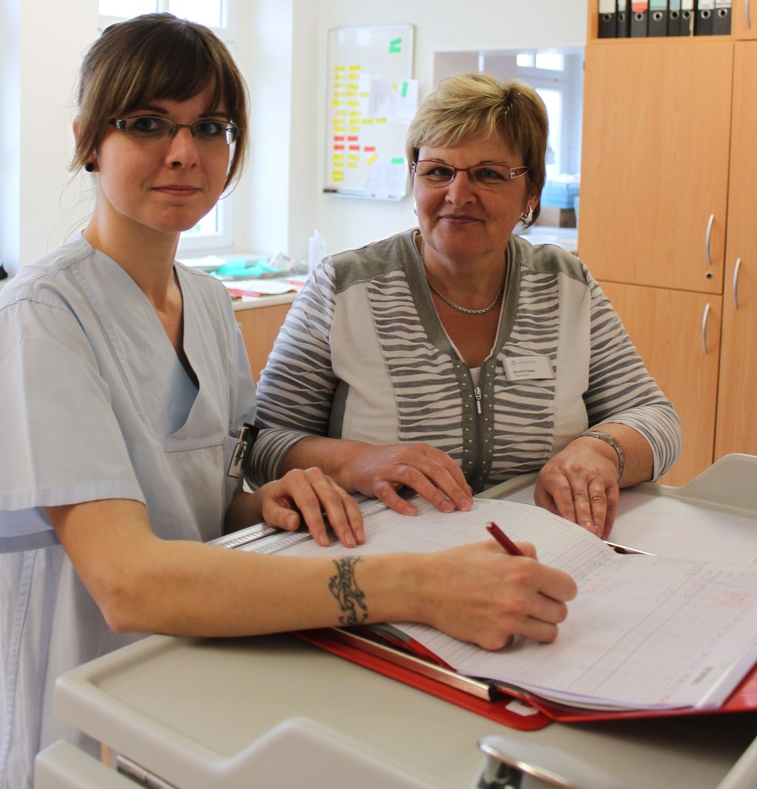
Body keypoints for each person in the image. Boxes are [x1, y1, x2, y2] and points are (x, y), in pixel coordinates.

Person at [0, 22, 576, 789]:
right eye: (147, 123)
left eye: (211, 127)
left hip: (197, 684)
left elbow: (196, 492)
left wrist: (258, 501)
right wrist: (419, 586)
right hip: (76, 720)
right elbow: (128, 581)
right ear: (88, 140)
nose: (184, 152)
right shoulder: (41, 319)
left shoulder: (209, 304)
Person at [250, 72, 681, 539]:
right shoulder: (344, 287)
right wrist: (357, 461)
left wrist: (601, 449)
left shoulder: (565, 284)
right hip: (387, 558)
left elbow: (655, 419)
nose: (458, 194)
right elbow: (262, 445)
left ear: (530, 193)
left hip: (540, 549)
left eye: (489, 174)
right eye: (438, 171)